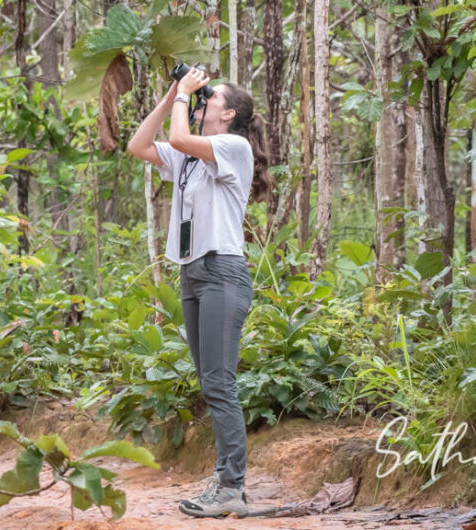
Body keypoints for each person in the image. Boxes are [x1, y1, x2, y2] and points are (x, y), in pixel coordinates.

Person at [127, 66, 272, 518]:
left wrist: (184, 98)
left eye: (211, 98)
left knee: (220, 383)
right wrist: (175, 91)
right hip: (192, 274)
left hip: (223, 272)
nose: (202, 102)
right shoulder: (190, 159)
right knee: (210, 383)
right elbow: (139, 145)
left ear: (227, 113)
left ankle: (232, 487)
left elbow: (184, 138)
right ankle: (224, 480)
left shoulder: (234, 147)